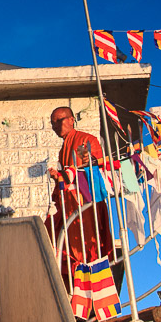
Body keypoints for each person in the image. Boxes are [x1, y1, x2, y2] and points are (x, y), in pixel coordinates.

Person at [46, 106, 115, 282]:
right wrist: (59, 177)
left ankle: (87, 279)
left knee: (86, 246)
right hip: (69, 203)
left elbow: (85, 168)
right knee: (55, 238)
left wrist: (68, 173)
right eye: (53, 122)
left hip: (83, 202)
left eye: (58, 120)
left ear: (71, 120)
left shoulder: (82, 141)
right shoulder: (65, 147)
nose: (55, 126)